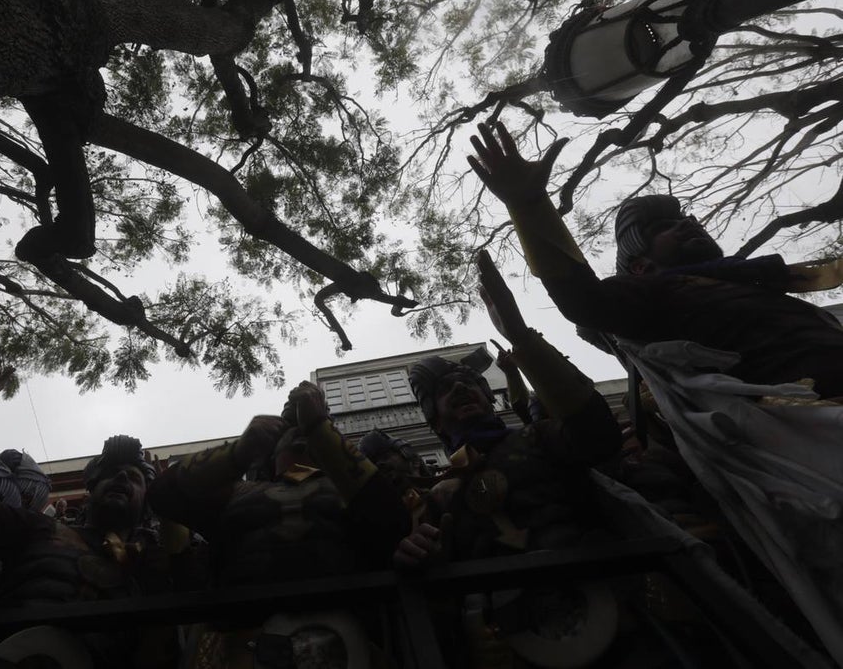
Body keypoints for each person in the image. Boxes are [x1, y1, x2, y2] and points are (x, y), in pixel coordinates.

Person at [466, 121, 843, 398]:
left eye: (686, 220)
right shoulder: (658, 295)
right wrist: (529, 205)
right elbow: (585, 302)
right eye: (665, 226)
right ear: (640, 267)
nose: (685, 227)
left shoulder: (763, 287)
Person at [0, 361, 180, 667]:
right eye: (111, 474)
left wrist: (173, 507)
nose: (121, 479)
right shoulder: (40, 530)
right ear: (90, 492)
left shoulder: (155, 564)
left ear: (148, 502)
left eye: (134, 478)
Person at [149, 381, 410, 669]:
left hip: (352, 647)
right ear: (271, 452)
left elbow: (394, 520)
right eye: (288, 432)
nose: (297, 434)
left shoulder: (354, 491)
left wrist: (319, 426)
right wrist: (239, 451)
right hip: (243, 649)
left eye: (305, 430)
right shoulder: (237, 494)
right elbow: (162, 495)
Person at [398, 251, 622, 567]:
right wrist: (414, 553)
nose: (460, 388)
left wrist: (520, 335)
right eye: (445, 389)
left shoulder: (539, 437)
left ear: (491, 400)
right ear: (434, 422)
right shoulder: (436, 498)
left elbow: (598, 435)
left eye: (467, 382)